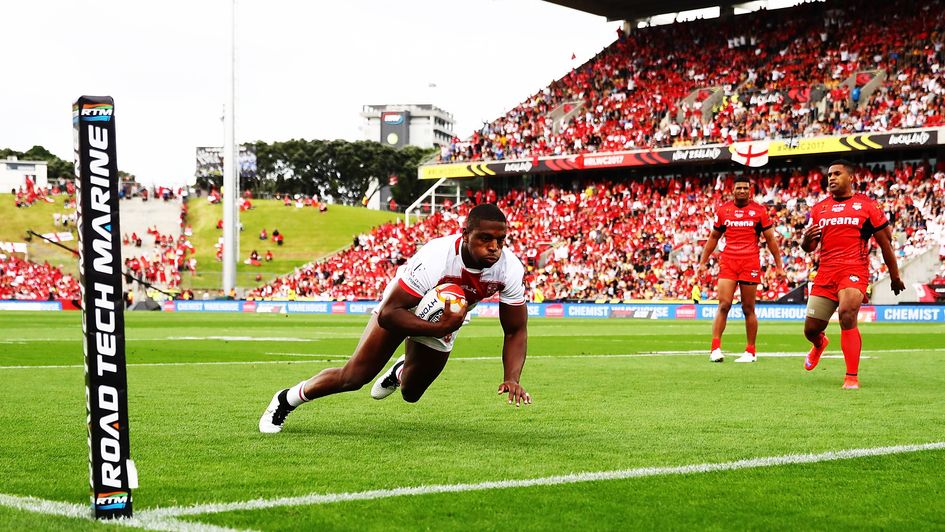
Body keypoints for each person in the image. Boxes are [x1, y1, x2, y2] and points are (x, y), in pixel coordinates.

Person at [259, 203, 531, 434]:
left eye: (500, 240)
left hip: (445, 317)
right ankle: (286, 399)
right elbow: (390, 314)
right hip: (403, 307)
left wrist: (512, 377)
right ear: (465, 234)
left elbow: (515, 330)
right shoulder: (436, 257)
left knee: (411, 394)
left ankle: (399, 371)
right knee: (353, 377)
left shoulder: (509, 268)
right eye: (485, 238)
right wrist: (439, 328)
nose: (494, 247)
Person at [800, 160, 904, 390]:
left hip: (854, 269)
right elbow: (810, 246)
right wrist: (805, 242)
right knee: (810, 330)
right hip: (826, 273)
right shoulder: (819, 209)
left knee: (847, 313)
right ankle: (819, 344)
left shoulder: (867, 206)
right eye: (829, 175)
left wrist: (895, 276)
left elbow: (885, 243)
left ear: (851, 178)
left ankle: (851, 377)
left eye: (837, 174)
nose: (832, 178)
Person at [695, 175, 784, 363]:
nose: (742, 191)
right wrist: (703, 262)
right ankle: (715, 348)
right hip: (729, 261)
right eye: (739, 188)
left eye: (745, 188)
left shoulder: (759, 211)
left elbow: (770, 239)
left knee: (748, 308)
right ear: (732, 190)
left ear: (750, 190)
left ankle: (751, 351)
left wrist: (779, 266)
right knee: (724, 304)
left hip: (750, 262)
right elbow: (713, 238)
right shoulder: (724, 210)